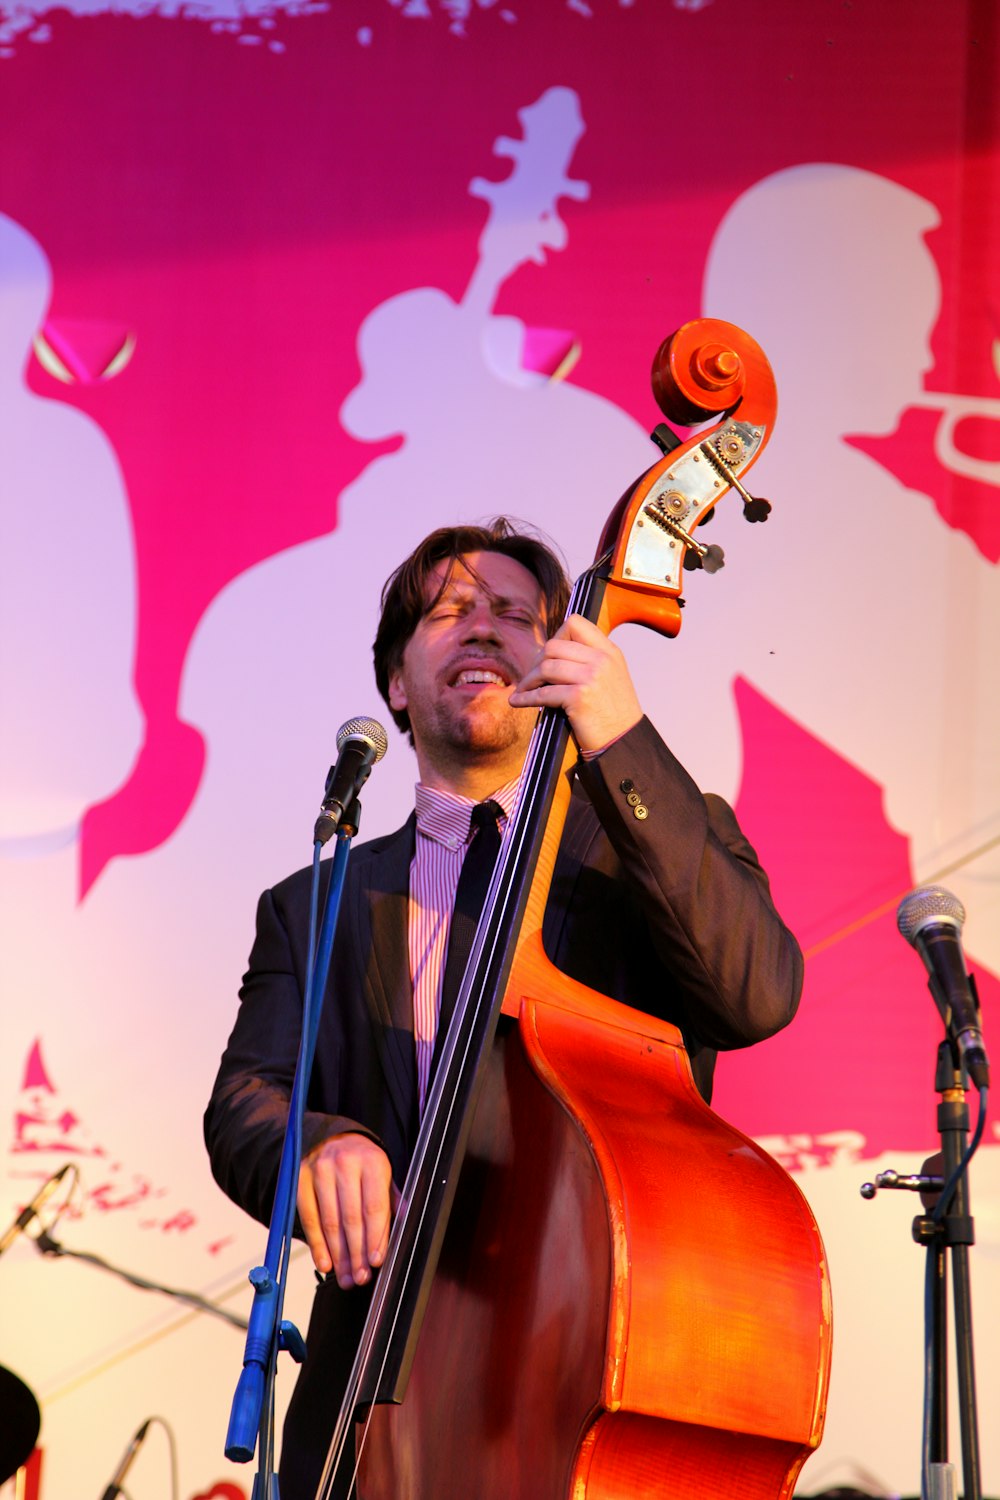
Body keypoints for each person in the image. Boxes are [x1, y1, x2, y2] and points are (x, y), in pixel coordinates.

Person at [204, 517, 803, 1498]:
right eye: (447, 610)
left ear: (559, 661)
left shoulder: (655, 844)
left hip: (588, 1379)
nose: (481, 625)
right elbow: (246, 1099)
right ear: (396, 683)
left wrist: (622, 742)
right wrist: (313, 1140)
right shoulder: (313, 904)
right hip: (373, 1402)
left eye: (515, 614)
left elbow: (756, 993)